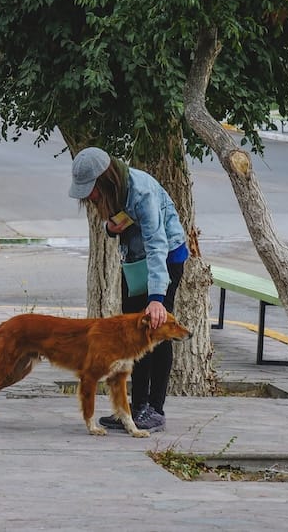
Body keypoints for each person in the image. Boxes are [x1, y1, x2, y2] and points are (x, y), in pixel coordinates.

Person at [68, 146, 189, 432]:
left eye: (91, 191)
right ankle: (135, 409)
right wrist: (112, 228)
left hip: (165, 260)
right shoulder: (115, 193)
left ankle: (155, 409)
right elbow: (118, 226)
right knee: (132, 334)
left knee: (158, 330)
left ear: (105, 180)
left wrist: (157, 298)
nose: (89, 197)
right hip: (136, 262)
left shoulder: (141, 191)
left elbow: (157, 243)